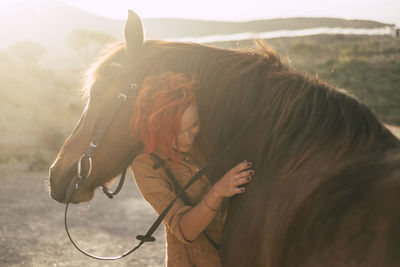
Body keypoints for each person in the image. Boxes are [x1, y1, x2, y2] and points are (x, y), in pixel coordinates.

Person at [131, 72, 254, 267]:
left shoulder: (209, 136)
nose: (188, 139)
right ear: (156, 127)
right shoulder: (146, 166)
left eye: (193, 126)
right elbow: (184, 230)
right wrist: (218, 192)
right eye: (176, 133)